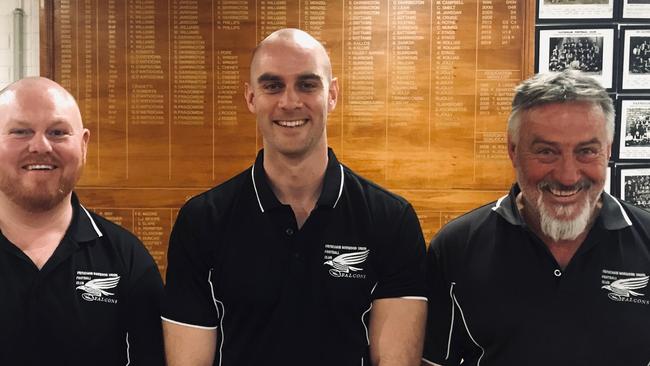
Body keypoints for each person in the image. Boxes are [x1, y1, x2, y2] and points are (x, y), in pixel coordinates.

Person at [162, 28, 427, 366]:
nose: (289, 102)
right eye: (273, 86)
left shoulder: (391, 220)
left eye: (307, 84)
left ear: (332, 95)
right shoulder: (202, 221)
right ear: (251, 98)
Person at [422, 70, 650, 366]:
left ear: (607, 150)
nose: (567, 176)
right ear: (513, 151)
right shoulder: (455, 248)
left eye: (586, 151)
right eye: (546, 152)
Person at [0, 77, 164, 365]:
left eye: (58, 132)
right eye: (20, 131)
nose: (41, 146)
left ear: (84, 144)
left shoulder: (127, 260)